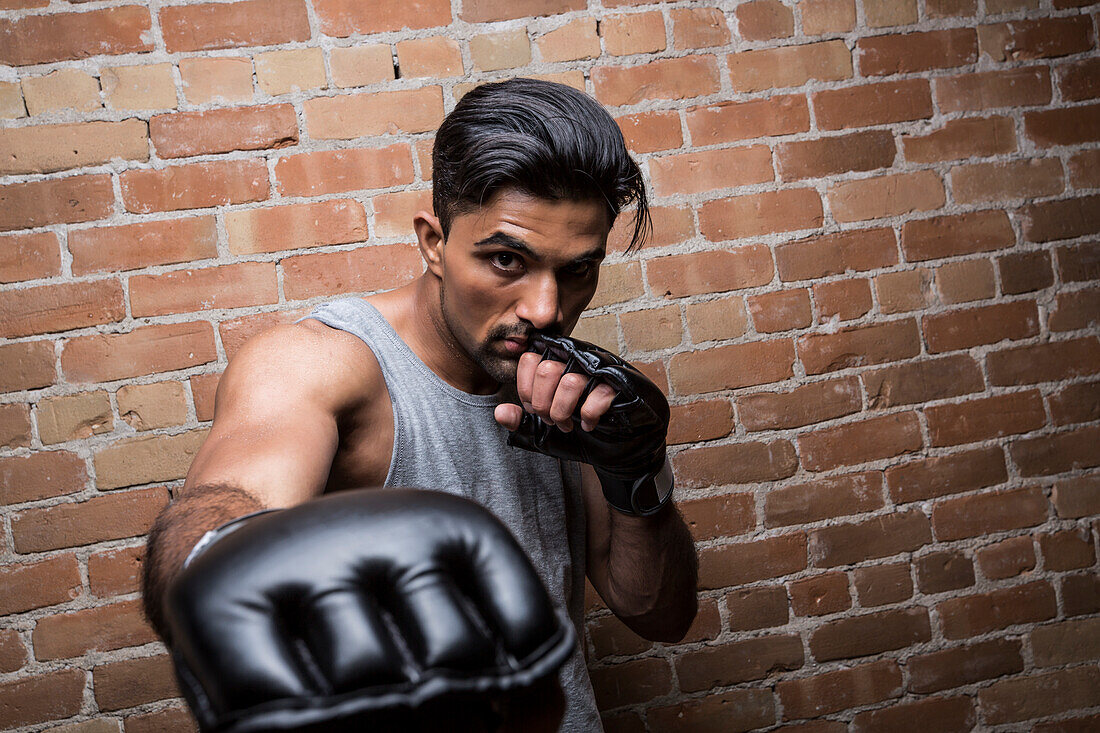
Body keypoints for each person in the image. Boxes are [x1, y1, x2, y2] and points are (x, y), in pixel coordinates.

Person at [142, 78, 698, 732]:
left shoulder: (563, 389)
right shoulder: (325, 363)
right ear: (433, 242)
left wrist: (638, 472)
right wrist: (221, 554)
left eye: (577, 270)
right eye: (505, 260)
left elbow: (659, 613)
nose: (546, 309)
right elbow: (216, 511)